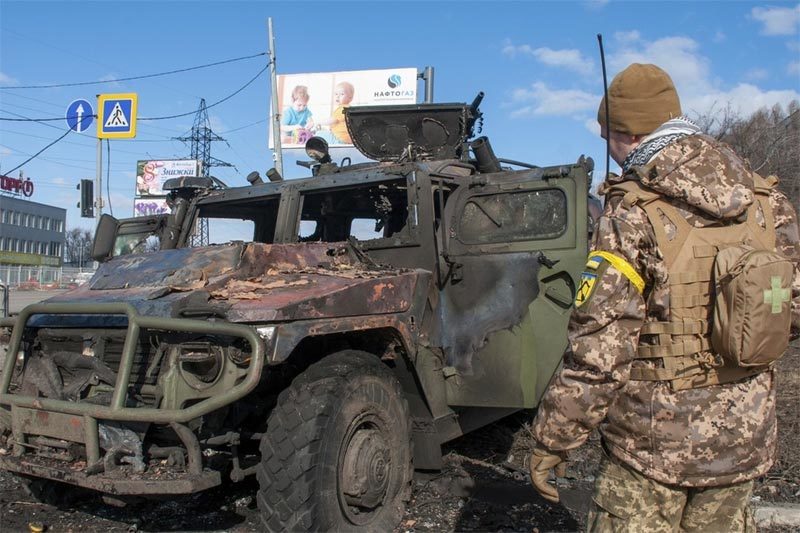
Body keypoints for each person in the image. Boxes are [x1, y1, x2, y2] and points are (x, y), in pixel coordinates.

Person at [528, 63, 800, 532]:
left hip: (650, 448)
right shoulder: (766, 201)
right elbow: (789, 313)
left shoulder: (631, 214)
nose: (611, 150)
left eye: (608, 136)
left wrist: (555, 437)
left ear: (630, 135)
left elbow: (599, 352)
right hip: (744, 438)